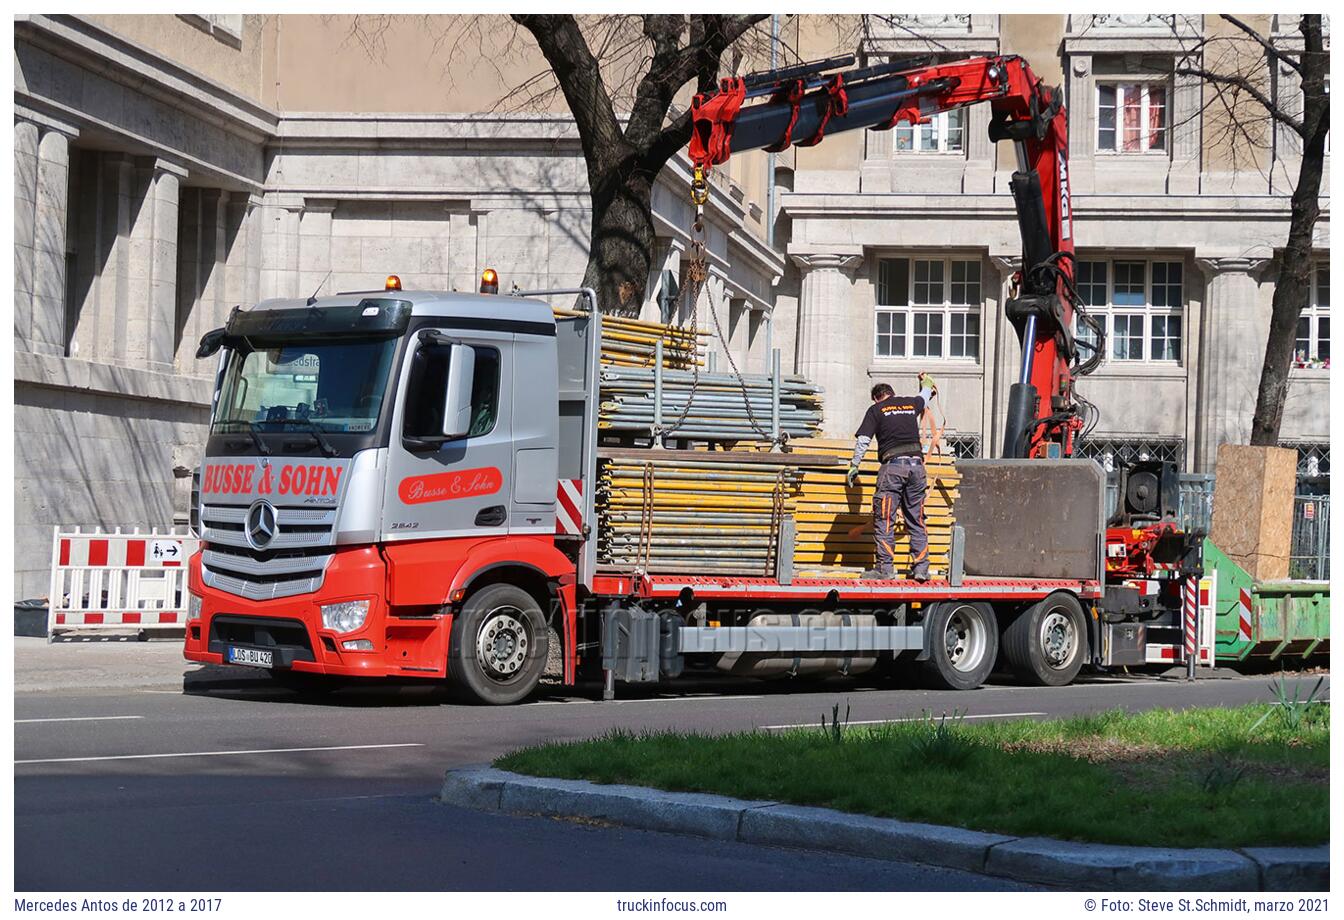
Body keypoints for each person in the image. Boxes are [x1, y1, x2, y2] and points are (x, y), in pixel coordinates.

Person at [847, 373, 936, 581]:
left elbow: (863, 440)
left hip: (893, 468)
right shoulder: (909, 404)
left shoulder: (876, 410)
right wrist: (927, 383)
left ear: (877, 397)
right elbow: (925, 395)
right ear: (892, 394)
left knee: (885, 517)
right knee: (916, 518)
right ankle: (921, 568)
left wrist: (854, 465)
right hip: (917, 468)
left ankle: (885, 570)